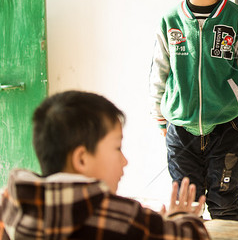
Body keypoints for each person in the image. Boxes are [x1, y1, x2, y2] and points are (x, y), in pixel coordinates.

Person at [149, 0, 238, 221]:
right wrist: (160, 116)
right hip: (180, 127)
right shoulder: (170, 20)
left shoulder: (236, 18)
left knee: (224, 202)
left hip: (227, 126)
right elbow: (159, 70)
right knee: (186, 206)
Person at [0, 90, 209, 240]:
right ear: (81, 159)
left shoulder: (11, 203)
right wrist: (180, 217)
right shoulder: (122, 218)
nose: (125, 161)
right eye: (117, 147)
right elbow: (193, 236)